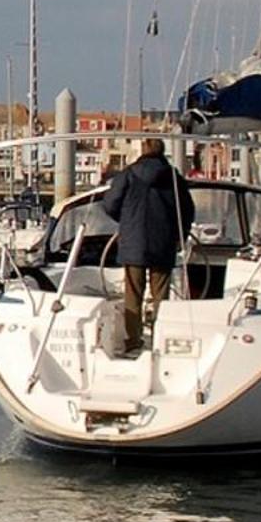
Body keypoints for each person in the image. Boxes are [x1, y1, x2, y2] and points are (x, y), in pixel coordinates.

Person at [99, 136, 194, 358]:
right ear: (162, 152)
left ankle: (133, 340)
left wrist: (125, 220)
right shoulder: (173, 178)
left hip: (134, 241)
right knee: (161, 293)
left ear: (143, 150)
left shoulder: (129, 174)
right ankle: (161, 337)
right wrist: (181, 235)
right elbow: (187, 210)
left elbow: (110, 202)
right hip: (164, 242)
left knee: (134, 293)